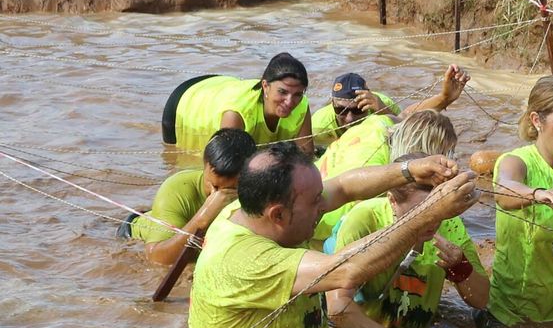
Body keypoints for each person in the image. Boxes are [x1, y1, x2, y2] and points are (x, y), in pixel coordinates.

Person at [179, 144, 476, 328]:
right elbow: (346, 270)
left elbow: (345, 187)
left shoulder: (253, 209)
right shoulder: (244, 259)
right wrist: (427, 213)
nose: (323, 207)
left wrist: (410, 170)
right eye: (315, 202)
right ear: (277, 215)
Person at [325, 153, 489, 328]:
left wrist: (460, 268)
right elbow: (337, 307)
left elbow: (481, 300)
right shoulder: (364, 219)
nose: (431, 222)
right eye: (420, 214)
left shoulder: (450, 224)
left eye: (437, 213)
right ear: (392, 201)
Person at [487, 75, 553, 327]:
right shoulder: (516, 161)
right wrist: (539, 194)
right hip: (512, 314)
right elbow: (504, 190)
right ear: (537, 120)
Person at [315, 109, 461, 243]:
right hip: (320, 230)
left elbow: (401, 115)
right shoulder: (372, 180)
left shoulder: (381, 122)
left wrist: (445, 97)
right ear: (422, 152)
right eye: (444, 154)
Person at [121, 128, 256, 265]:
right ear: (205, 165)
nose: (222, 196)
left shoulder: (256, 189)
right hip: (133, 239)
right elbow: (156, 257)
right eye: (215, 187)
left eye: (232, 190)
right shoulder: (177, 188)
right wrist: (204, 216)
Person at [164, 53, 312, 154]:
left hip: (222, 85)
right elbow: (226, 167)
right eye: (282, 92)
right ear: (265, 86)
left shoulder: (301, 105)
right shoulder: (236, 113)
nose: (290, 101)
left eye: (297, 94)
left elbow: (306, 155)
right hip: (185, 102)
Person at [309, 65, 470, 151]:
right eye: (341, 110)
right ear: (332, 104)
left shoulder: (380, 104)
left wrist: (445, 98)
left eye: (358, 109)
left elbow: (406, 127)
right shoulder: (318, 125)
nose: (349, 118)